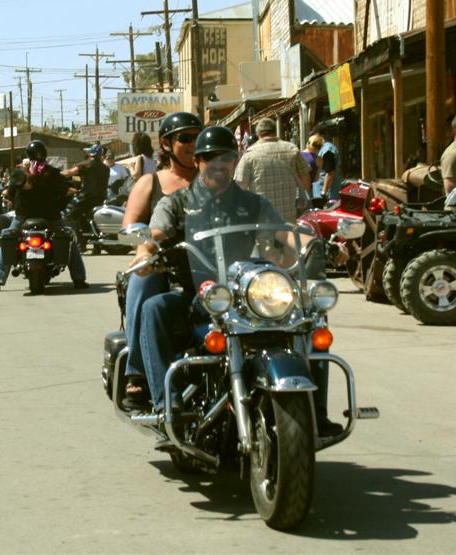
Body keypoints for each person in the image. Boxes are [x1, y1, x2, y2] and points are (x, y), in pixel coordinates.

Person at [132, 126, 290, 413]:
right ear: (198, 162)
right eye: (209, 157)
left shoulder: (253, 203)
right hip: (196, 294)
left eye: (226, 157)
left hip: (246, 296)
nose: (218, 164)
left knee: (309, 318)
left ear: (236, 159)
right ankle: (167, 401)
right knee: (154, 308)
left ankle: (313, 409)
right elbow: (156, 232)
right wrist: (145, 249)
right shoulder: (177, 202)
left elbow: (285, 235)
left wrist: (315, 244)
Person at [120, 111, 203, 409]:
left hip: (211, 270)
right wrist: (146, 251)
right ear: (166, 144)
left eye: (198, 137)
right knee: (145, 277)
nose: (194, 144)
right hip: (166, 267)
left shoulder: (218, 184)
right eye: (185, 138)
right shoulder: (150, 182)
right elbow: (132, 231)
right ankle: (137, 371)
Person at [0, 140, 87, 291]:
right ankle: (79, 279)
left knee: (8, 240)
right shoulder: (53, 172)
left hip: (22, 218)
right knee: (69, 241)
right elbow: (64, 192)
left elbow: (9, 193)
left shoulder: (18, 173)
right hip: (51, 217)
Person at [234, 117, 311, 223]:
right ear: (275, 131)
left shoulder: (249, 155)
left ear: (258, 134)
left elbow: (240, 186)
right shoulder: (292, 149)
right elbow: (305, 177)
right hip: (288, 216)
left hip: (263, 218)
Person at [62, 144, 110, 232]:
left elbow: (69, 172)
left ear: (91, 153)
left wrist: (54, 175)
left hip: (86, 198)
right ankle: (84, 229)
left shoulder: (86, 164)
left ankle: (75, 236)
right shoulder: (106, 168)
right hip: (100, 199)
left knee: (68, 212)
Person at [312, 129, 343, 204]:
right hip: (324, 194)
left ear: (322, 136)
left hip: (328, 197)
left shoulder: (327, 149)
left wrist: (323, 192)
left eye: (315, 136)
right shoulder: (324, 148)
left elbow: (330, 172)